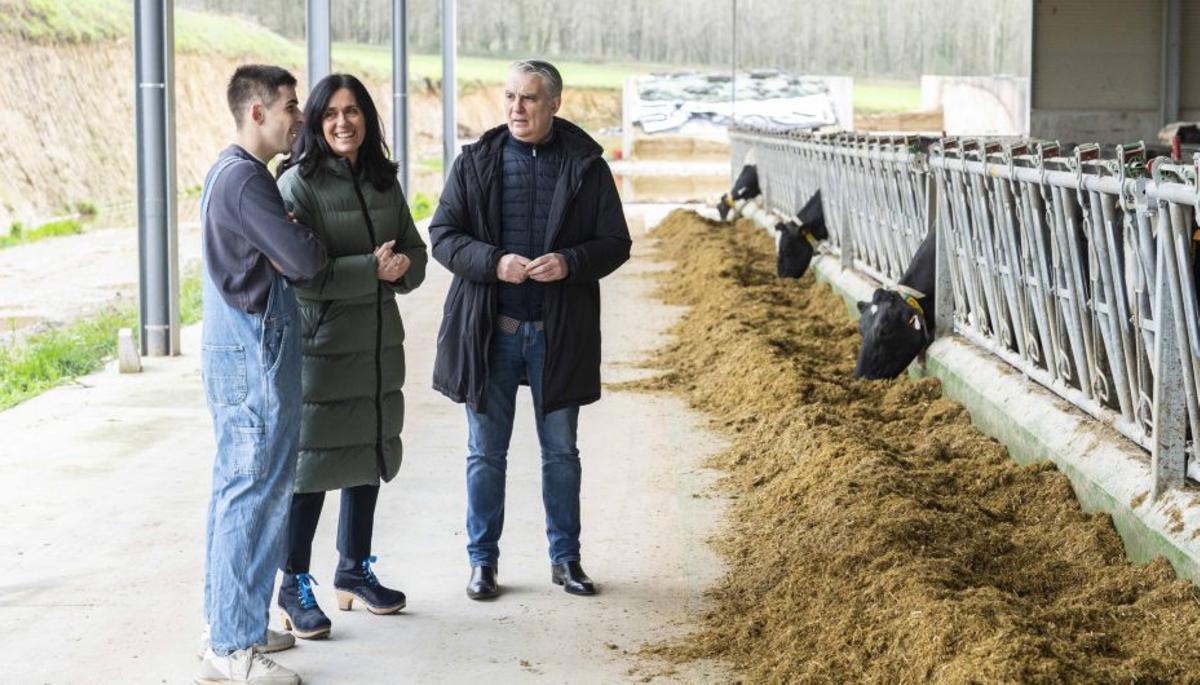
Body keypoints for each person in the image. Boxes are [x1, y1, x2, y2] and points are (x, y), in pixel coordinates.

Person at [429, 59, 632, 600]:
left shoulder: (586, 167)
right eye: (510, 97)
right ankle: (482, 562)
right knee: (485, 453)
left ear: (555, 104)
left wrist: (570, 262)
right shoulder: (475, 163)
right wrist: (493, 262)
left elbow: (616, 243)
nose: (516, 108)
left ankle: (566, 560)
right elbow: (443, 235)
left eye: (529, 98)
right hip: (491, 331)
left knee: (561, 452)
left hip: (556, 333)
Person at [273, 73, 428, 638]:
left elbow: (415, 248)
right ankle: (292, 583)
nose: (344, 122)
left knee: (368, 456)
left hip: (377, 344)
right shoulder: (298, 185)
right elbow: (301, 274)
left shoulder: (383, 181)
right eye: (331, 113)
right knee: (312, 468)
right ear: (316, 123)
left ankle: (354, 570)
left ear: (368, 117)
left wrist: (402, 267)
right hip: (324, 348)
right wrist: (371, 269)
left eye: (354, 111)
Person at [197, 65, 327, 685]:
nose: (299, 117)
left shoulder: (230, 171)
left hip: (237, 352)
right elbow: (305, 261)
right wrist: (302, 237)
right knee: (252, 498)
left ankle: (230, 622)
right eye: (290, 106)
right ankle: (233, 646)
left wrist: (291, 240)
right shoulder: (247, 182)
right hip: (253, 357)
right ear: (257, 112)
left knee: (238, 493)